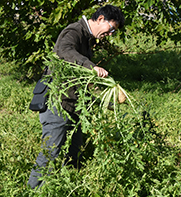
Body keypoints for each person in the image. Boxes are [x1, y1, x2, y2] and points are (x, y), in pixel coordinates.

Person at [28, 5, 125, 189]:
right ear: (100, 19)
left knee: (75, 152)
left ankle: (69, 188)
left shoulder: (87, 40)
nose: (111, 34)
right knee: (50, 153)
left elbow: (78, 77)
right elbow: (65, 52)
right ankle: (33, 191)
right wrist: (92, 66)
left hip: (73, 106)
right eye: (111, 28)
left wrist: (103, 100)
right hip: (57, 103)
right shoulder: (74, 31)